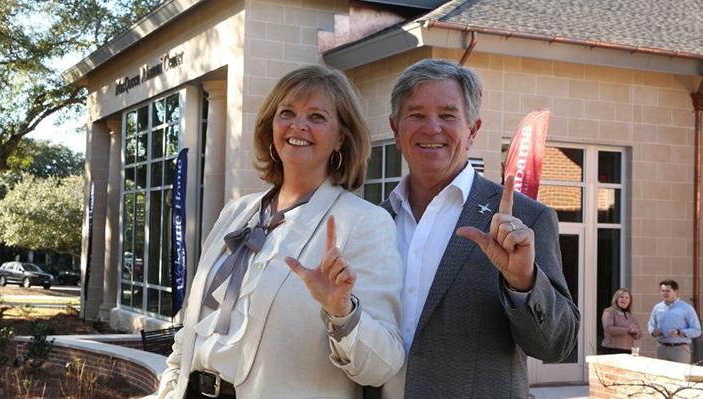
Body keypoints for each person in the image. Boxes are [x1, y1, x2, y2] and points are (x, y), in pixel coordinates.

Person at [157, 65, 404, 398]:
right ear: (271, 125)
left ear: (341, 137)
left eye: (317, 117)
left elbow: (383, 365)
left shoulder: (364, 223)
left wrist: (342, 312)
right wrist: (170, 386)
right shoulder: (235, 213)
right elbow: (193, 322)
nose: (298, 125)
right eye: (287, 112)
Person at [379, 58, 580, 398]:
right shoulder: (375, 222)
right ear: (396, 130)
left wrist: (523, 282)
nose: (431, 128)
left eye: (447, 115)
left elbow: (557, 345)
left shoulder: (526, 219)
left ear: (472, 130)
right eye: (416, 115)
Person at [647, 279, 701, 363]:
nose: (664, 293)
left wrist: (679, 332)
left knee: (680, 375)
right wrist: (653, 332)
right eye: (662, 291)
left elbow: (697, 331)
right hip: (661, 349)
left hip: (680, 350)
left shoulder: (686, 308)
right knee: (661, 375)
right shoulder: (657, 307)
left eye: (667, 291)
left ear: (675, 291)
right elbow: (651, 324)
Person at [601, 288, 641, 354]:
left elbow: (639, 335)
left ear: (630, 301)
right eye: (621, 297)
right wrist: (628, 330)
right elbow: (608, 329)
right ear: (616, 299)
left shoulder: (630, 315)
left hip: (628, 350)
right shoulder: (609, 311)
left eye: (627, 297)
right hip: (611, 349)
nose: (624, 299)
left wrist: (636, 332)